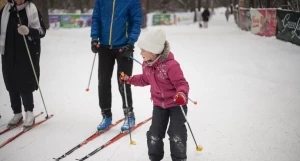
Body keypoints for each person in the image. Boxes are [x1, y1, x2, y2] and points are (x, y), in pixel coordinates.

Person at [120, 29, 190, 161]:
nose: (140, 53)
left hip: (176, 104)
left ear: (153, 50)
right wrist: (129, 79)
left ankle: (179, 158)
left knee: (176, 133)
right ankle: (155, 158)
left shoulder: (171, 66)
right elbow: (145, 79)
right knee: (154, 133)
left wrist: (182, 93)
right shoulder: (147, 65)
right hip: (159, 104)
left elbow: (182, 83)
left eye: (142, 50)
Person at [90, 0, 143, 132]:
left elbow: (136, 21)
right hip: (104, 47)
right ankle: (106, 115)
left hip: (124, 47)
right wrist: (94, 38)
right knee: (103, 82)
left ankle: (129, 115)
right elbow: (96, 18)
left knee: (123, 82)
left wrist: (131, 43)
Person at [0, 0, 46, 129]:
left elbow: (42, 31)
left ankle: (29, 113)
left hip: (27, 53)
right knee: (11, 83)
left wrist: (29, 31)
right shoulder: (5, 11)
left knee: (25, 84)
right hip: (8, 53)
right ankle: (17, 113)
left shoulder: (31, 9)